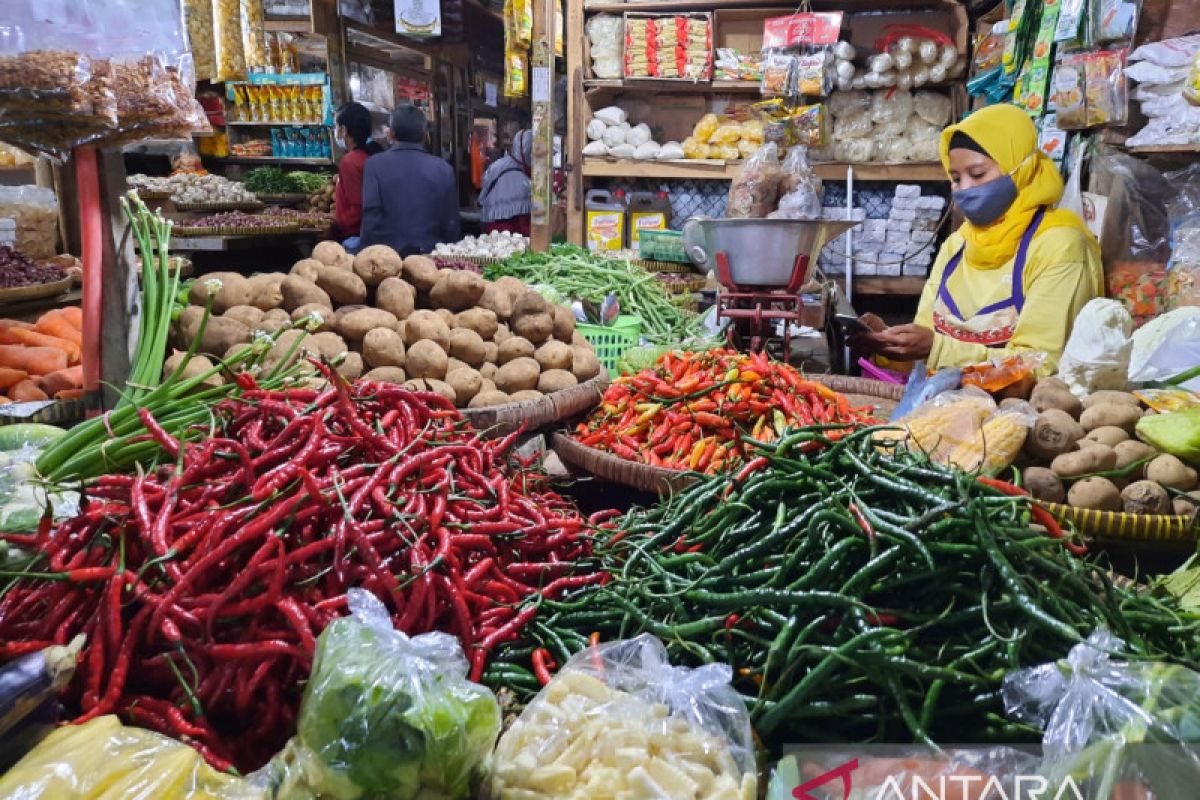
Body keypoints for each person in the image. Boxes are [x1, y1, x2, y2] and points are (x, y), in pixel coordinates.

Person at [849, 104, 1103, 375]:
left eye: (978, 174)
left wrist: (938, 350)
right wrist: (890, 345)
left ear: (1021, 169)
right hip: (943, 404)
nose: (965, 189)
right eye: (956, 178)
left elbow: (1042, 365)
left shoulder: (1060, 247)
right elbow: (926, 347)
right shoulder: (957, 246)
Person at [360, 105, 460, 256]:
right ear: (424, 134)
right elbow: (451, 223)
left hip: (387, 260)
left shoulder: (374, 165)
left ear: (392, 134)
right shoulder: (444, 169)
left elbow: (371, 218)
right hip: (431, 258)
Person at [330, 102, 381, 253]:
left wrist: (335, 226)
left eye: (336, 127)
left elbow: (358, 208)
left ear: (344, 130)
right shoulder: (368, 155)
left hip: (354, 238)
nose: (335, 131)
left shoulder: (350, 161)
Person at [478, 129, 532, 236]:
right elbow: (523, 221)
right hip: (516, 232)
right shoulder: (522, 178)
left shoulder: (497, 165)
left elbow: (484, 186)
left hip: (491, 227)